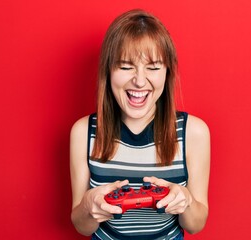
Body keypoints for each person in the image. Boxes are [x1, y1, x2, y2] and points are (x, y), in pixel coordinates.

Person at [70, 9, 210, 240]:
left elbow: (195, 225)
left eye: (153, 68)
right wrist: (87, 206)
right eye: (125, 67)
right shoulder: (83, 132)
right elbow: (82, 226)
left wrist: (185, 200)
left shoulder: (194, 132)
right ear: (108, 70)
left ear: (167, 73)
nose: (139, 80)